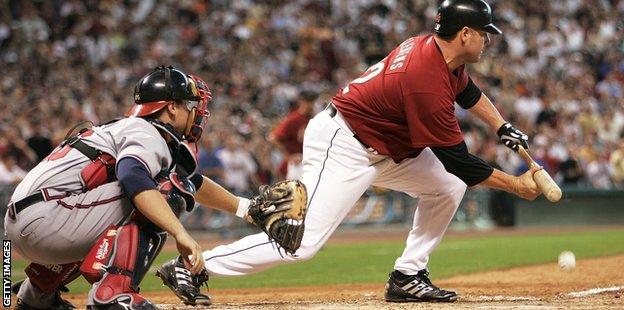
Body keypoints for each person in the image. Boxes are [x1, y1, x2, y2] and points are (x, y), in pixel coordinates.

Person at [159, 0, 542, 304]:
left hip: (387, 148)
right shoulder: (424, 77)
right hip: (344, 144)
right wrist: (516, 186)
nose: (488, 40)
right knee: (300, 243)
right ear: (464, 34)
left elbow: (469, 92)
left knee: (446, 188)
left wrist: (501, 125)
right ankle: (192, 265)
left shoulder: (439, 52)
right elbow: (460, 162)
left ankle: (408, 275)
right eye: (484, 34)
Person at [5, 65, 230, 309]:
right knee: (163, 190)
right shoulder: (147, 132)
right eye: (189, 105)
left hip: (29, 221)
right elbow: (134, 176)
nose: (194, 112)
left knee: (157, 187)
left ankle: (36, 296)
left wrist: (245, 208)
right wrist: (180, 232)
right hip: (49, 220)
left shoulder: (128, 129)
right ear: (172, 107)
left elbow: (194, 180)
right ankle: (112, 293)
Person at [269, 90, 318, 180]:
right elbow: (273, 138)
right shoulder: (293, 119)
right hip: (296, 166)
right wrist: (288, 157)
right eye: (308, 102)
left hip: (310, 162)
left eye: (312, 102)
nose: (310, 105)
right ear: (301, 102)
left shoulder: (315, 118)